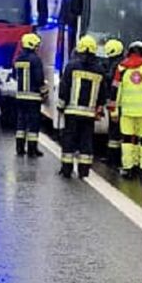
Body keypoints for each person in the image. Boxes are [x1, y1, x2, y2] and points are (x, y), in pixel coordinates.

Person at [56, 35, 108, 179]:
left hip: (72, 112)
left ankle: (66, 170)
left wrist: (61, 105)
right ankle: (84, 171)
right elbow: (103, 93)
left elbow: (64, 87)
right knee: (86, 141)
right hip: (89, 114)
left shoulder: (71, 66)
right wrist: (99, 108)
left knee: (69, 140)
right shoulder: (99, 70)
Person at [108, 41, 142, 185]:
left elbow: (115, 91)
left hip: (127, 112)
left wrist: (113, 112)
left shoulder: (122, 68)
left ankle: (128, 168)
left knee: (127, 140)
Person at [13, 32, 47, 157]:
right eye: (37, 45)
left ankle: (19, 148)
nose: (38, 48)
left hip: (21, 96)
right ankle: (32, 149)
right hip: (33, 97)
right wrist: (44, 91)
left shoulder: (18, 59)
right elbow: (39, 78)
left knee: (21, 122)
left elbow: (14, 75)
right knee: (33, 123)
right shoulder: (36, 59)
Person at [103, 38, 125, 169]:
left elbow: (111, 79)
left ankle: (112, 159)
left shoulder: (116, 65)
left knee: (114, 133)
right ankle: (113, 158)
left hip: (116, 102)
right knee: (115, 132)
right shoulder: (121, 63)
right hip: (121, 102)